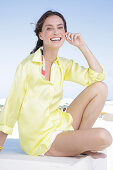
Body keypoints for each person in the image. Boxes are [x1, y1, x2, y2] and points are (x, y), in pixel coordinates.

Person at [0, 10, 112, 159]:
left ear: (65, 33)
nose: (55, 32)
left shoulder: (62, 64)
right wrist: (1, 142)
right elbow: (12, 105)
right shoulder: (26, 66)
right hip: (41, 139)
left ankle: (79, 142)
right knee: (104, 137)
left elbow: (97, 76)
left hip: (59, 124)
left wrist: (82, 46)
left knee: (100, 88)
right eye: (49, 28)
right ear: (41, 35)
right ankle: (80, 143)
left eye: (60, 27)